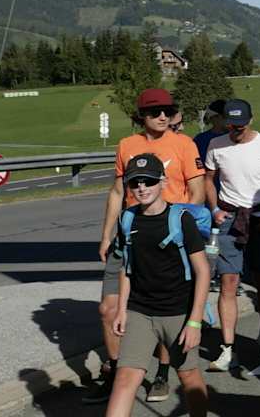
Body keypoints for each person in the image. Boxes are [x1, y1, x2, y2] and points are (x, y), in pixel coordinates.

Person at [88, 88, 204, 405]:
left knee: (163, 312)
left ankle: (162, 373)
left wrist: (184, 228)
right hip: (129, 236)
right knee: (108, 310)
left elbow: (197, 191)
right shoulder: (127, 145)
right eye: (155, 112)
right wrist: (106, 233)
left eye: (168, 110)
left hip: (169, 239)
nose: (163, 116)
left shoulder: (184, 144)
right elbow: (115, 192)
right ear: (142, 115)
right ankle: (115, 372)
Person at [104, 154, 210, 417]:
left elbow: (203, 271)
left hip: (178, 313)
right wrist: (121, 310)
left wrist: (195, 322)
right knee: (125, 379)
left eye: (148, 181)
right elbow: (127, 269)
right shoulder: (127, 220)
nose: (142, 187)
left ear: (162, 181)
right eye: (135, 182)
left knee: (189, 380)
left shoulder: (181, 218)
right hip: (140, 312)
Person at [204, 99, 260, 369]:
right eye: (232, 124)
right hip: (230, 219)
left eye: (241, 124)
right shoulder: (216, 145)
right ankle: (227, 347)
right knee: (228, 282)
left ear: (251, 120)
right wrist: (214, 209)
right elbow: (208, 178)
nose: (237, 129)